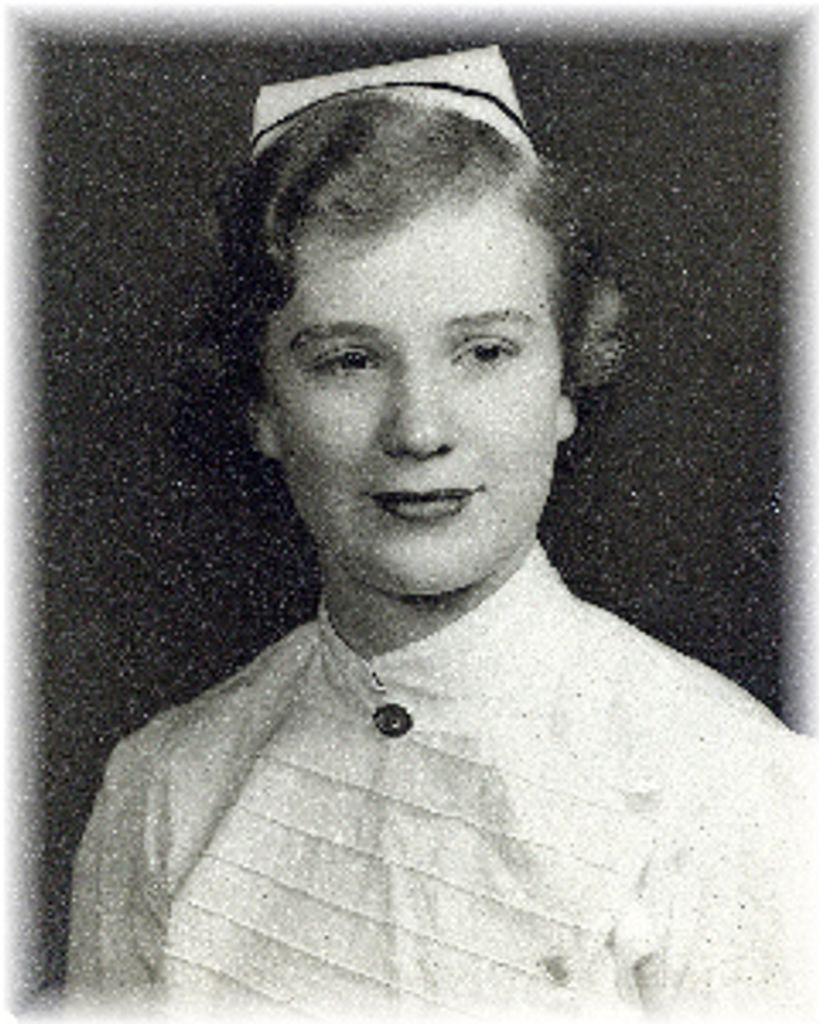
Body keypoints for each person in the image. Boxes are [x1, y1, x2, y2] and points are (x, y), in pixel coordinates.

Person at [66, 46, 815, 1018]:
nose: (419, 430)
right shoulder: (165, 792)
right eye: (348, 361)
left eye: (486, 351)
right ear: (261, 405)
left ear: (566, 381)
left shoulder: (730, 785)